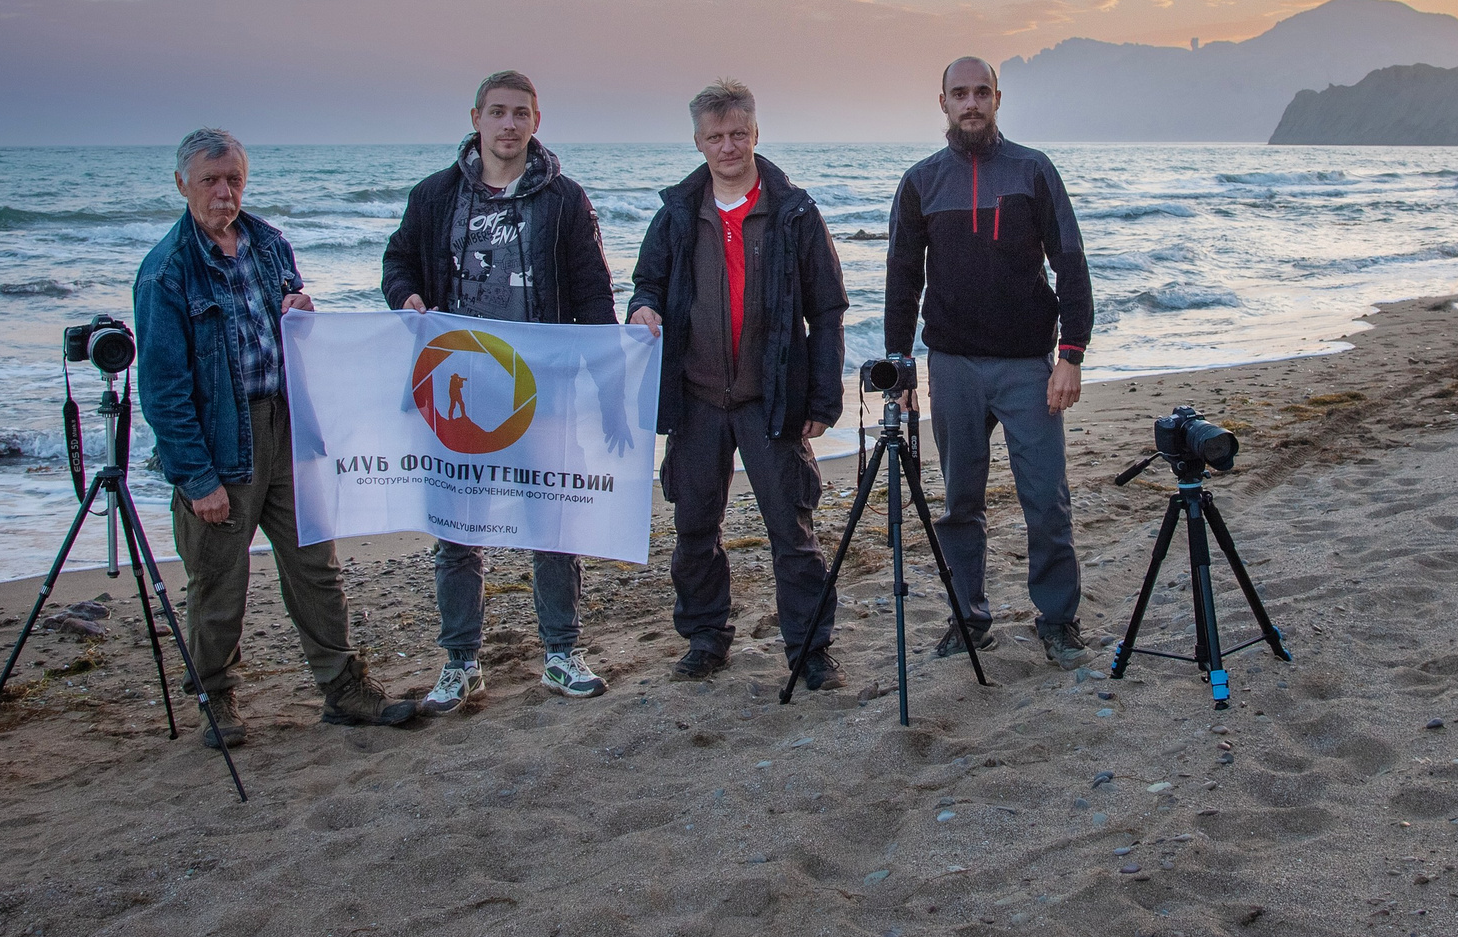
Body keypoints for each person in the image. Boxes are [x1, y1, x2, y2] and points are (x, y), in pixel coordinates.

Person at [134, 128, 417, 747]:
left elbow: (288, 323)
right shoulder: (166, 273)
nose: (223, 192)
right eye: (209, 180)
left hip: (287, 427)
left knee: (316, 565)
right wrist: (196, 476)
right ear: (182, 183)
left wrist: (302, 310)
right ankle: (217, 699)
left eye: (233, 178)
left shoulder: (267, 244)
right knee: (218, 582)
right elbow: (161, 390)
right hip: (220, 442)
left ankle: (344, 690)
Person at [383, 71, 618, 709]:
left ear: (536, 121)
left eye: (520, 113)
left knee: (553, 522)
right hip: (458, 386)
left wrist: (612, 385)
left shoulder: (565, 200)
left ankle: (562, 653)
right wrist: (404, 295)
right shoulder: (434, 196)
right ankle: (461, 662)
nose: (508, 125)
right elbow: (399, 259)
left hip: (542, 392)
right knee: (457, 528)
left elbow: (594, 291)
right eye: (497, 113)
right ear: (476, 118)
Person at [627, 79, 849, 687]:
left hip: (771, 400)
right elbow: (647, 285)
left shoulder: (795, 211)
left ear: (756, 133)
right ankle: (705, 637)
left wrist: (824, 400)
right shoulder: (677, 213)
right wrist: (642, 310)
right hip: (696, 398)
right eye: (715, 136)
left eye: (738, 134)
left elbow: (827, 309)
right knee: (695, 527)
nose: (728, 146)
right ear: (698, 140)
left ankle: (811, 648)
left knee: (792, 531)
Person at [884, 55, 1096, 669]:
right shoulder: (921, 181)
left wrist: (1071, 356)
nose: (971, 103)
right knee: (959, 504)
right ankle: (968, 618)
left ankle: (1058, 620)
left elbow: (1071, 262)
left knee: (1046, 499)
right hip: (951, 365)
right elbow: (902, 278)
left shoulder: (1032, 171)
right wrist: (900, 366)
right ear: (942, 102)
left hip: (1028, 366)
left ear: (998, 99)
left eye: (982, 92)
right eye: (960, 93)